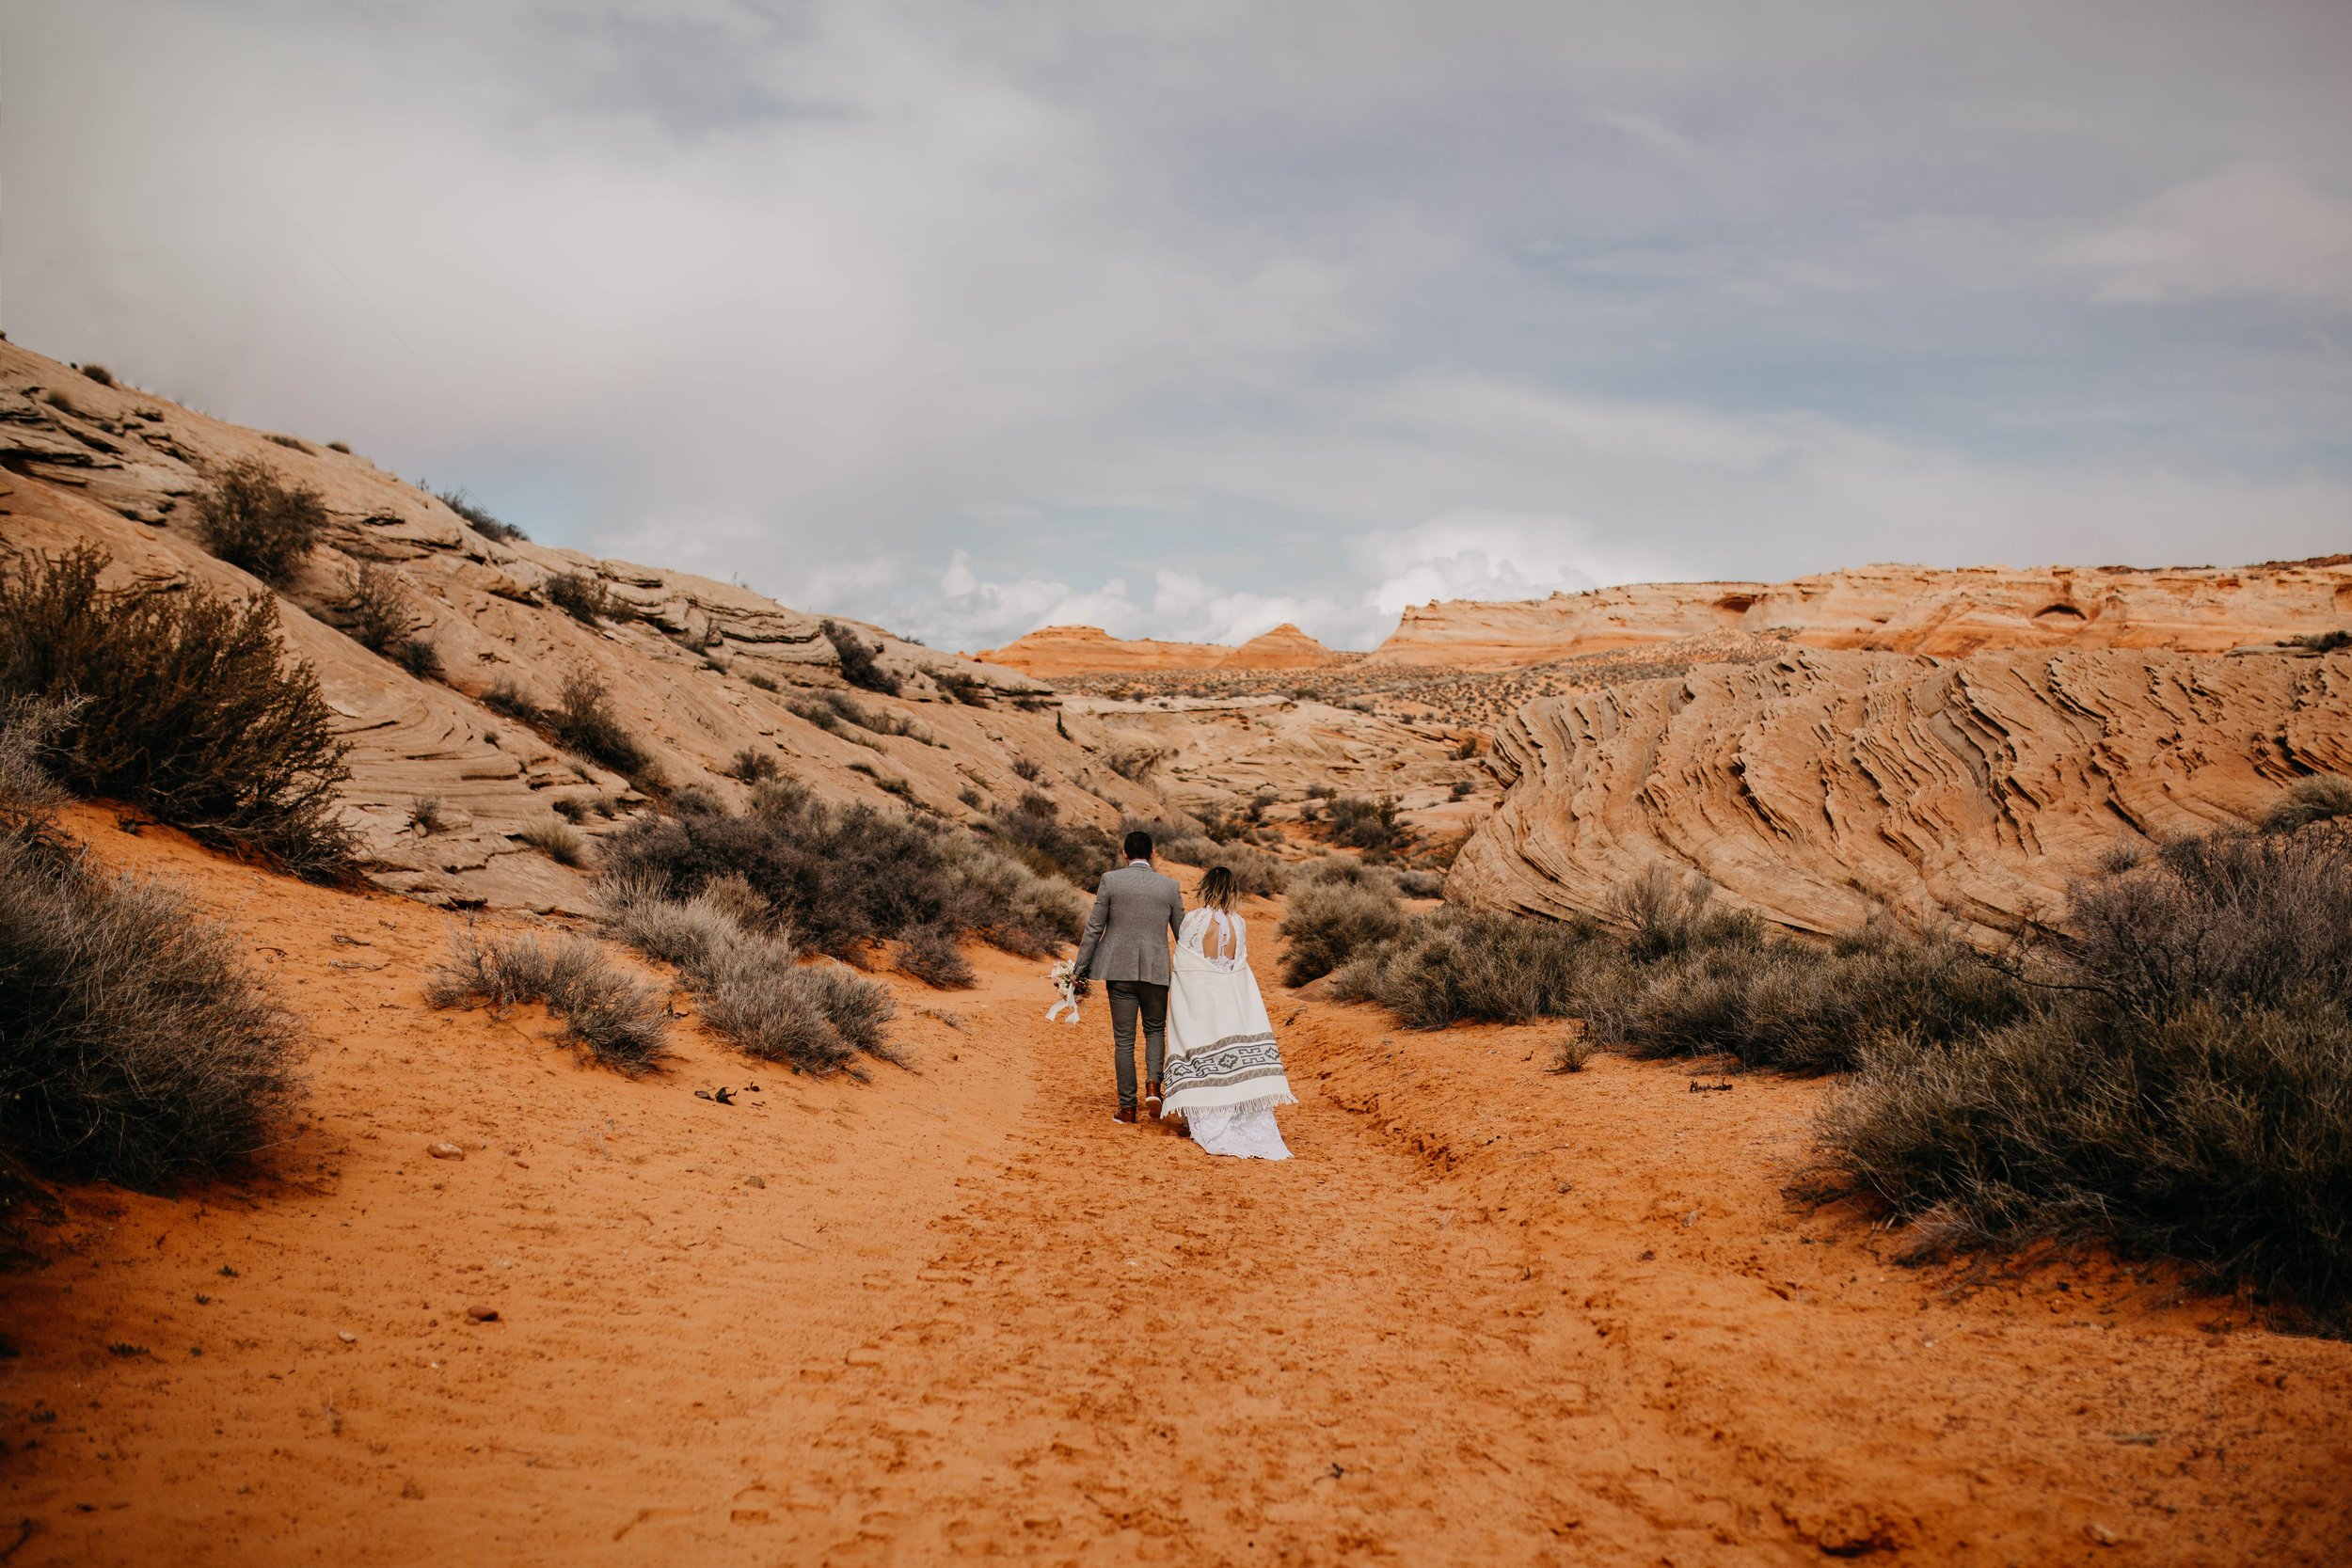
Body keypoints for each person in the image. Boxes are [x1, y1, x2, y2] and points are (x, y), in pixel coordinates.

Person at [1160, 864, 1295, 1159]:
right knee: (1230, 1056)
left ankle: (1208, 1113)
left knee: (1202, 1051)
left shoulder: (1193, 920)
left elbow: (1184, 964)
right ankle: (1236, 1113)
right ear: (1232, 890)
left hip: (1202, 1001)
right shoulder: (1240, 923)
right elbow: (1237, 964)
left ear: (1205, 887)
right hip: (1231, 1000)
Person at [1068, 829, 1185, 1124]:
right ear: (1152, 854)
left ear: (1124, 854)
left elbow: (1094, 928)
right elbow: (1183, 935)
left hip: (1118, 971)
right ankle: (1154, 1087)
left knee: (1124, 1040)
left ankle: (1127, 1107)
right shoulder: (1170, 887)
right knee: (1155, 1030)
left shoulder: (1111, 880)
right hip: (1156, 970)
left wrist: (1078, 970)